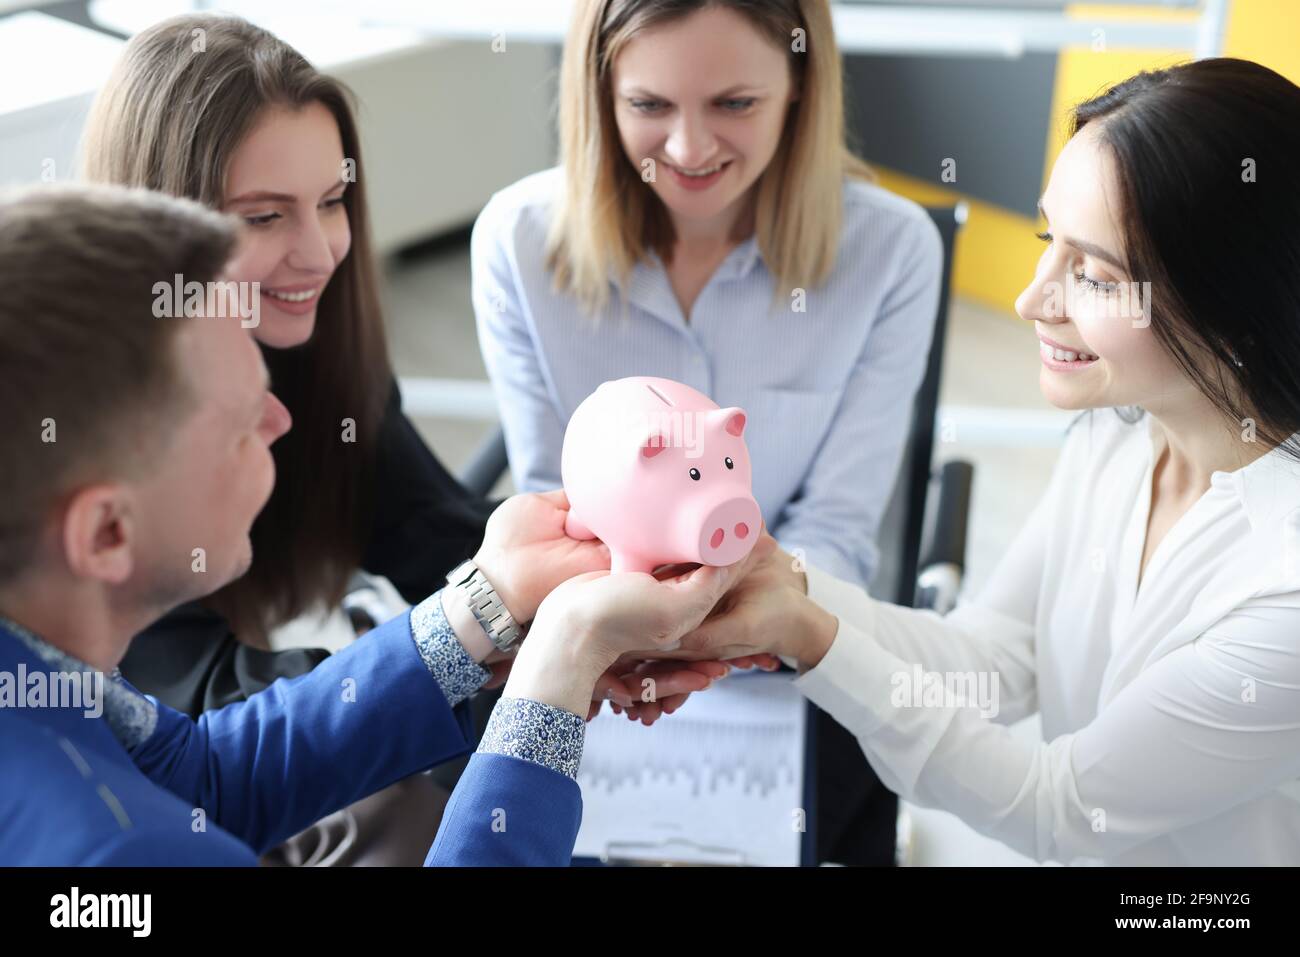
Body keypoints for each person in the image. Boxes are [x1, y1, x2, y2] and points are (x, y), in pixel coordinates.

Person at [0, 183, 759, 867]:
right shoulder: (120, 856)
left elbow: (201, 778)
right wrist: (556, 674)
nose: (281, 418)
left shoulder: (37, 674)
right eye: (238, 422)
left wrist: (485, 604)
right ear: (105, 534)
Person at [677, 58, 1300, 866]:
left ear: (1235, 306)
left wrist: (817, 638)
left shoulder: (1283, 583)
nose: (1032, 299)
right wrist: (782, 584)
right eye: (1050, 242)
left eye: (1094, 274)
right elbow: (992, 661)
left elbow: (1061, 809)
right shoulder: (1116, 435)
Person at [473, 0, 942, 864]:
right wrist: (617, 636)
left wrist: (708, 636)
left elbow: (836, 530)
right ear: (600, 92)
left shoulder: (892, 253)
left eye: (735, 103)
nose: (690, 150)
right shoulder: (517, 242)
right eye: (650, 105)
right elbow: (559, 499)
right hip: (598, 660)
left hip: (785, 658)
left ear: (802, 87)